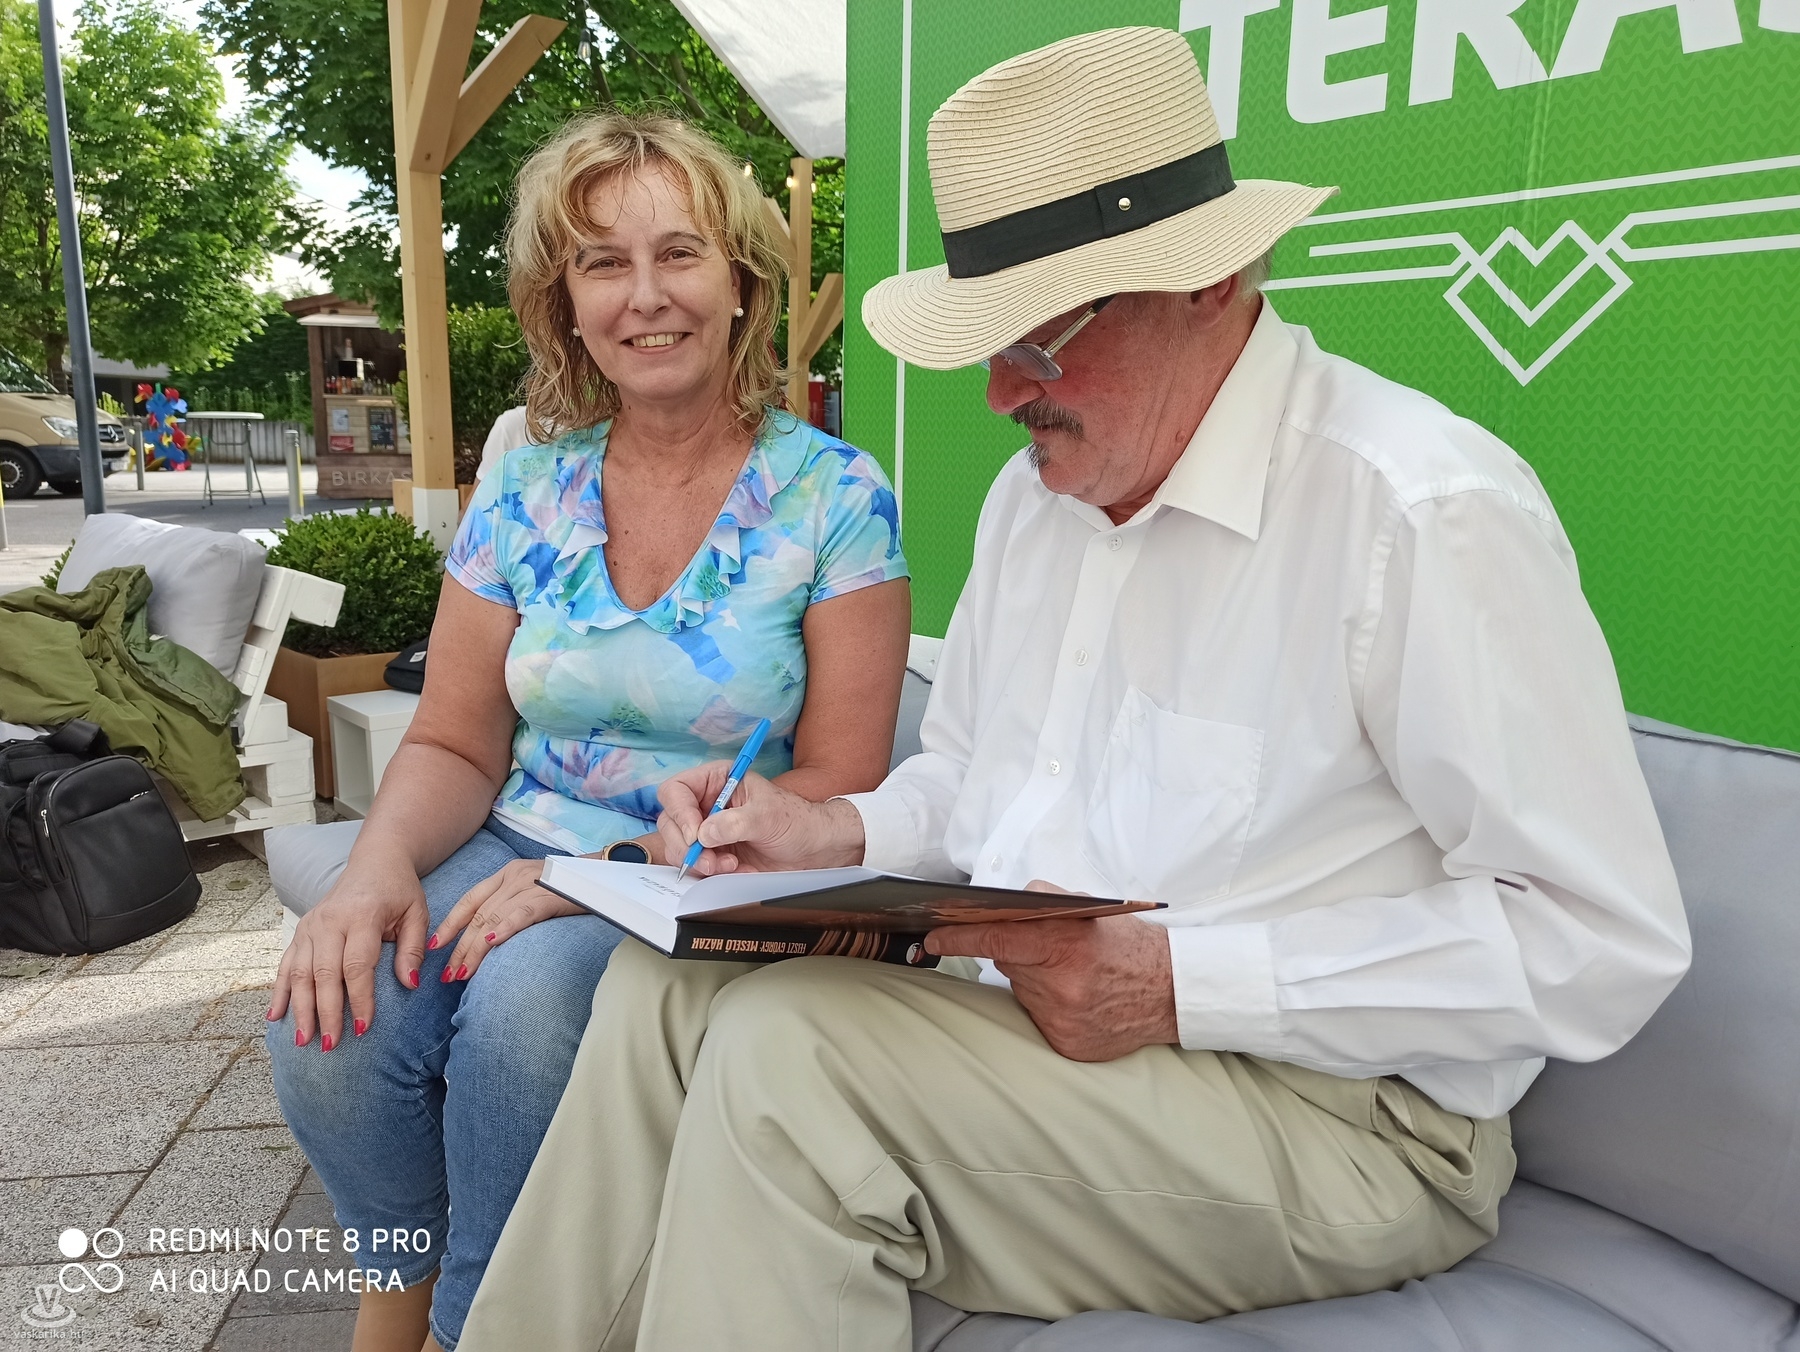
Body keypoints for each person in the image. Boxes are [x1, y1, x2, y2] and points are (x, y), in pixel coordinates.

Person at [457, 28, 1692, 1352]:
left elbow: (1599, 940)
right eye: (985, 339)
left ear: (1208, 278)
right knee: (662, 991)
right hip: (1054, 1045)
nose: (1000, 391)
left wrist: (1180, 982)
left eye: (1040, 337)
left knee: (787, 1062)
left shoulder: (1417, 509)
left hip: (1350, 1122)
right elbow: (972, 782)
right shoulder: (1034, 501)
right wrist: (824, 831)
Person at [261, 110, 911, 1352]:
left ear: (742, 281)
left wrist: (601, 875)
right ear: (566, 303)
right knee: (328, 1007)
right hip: (510, 830)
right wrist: (373, 867)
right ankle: (397, 1291)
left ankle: (486, 1323)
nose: (645, 295)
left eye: (680, 253)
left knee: (522, 1018)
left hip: (701, 871)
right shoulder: (523, 487)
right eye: (604, 262)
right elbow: (454, 741)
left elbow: (841, 780)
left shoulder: (836, 495)